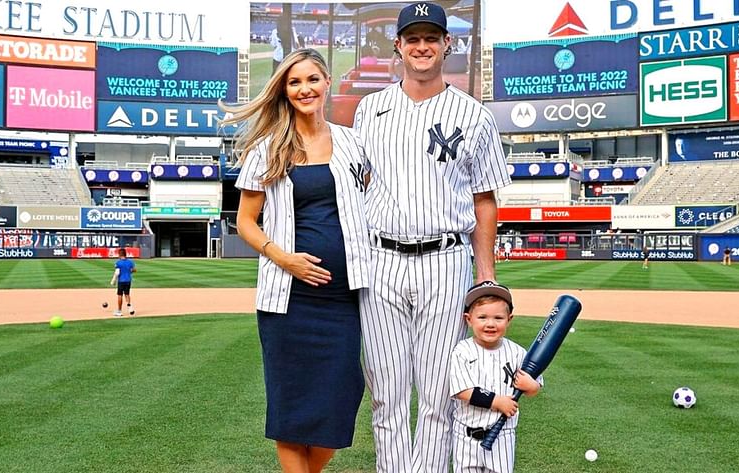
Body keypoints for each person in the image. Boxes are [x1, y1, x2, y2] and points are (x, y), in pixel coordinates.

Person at [352, 3, 512, 471]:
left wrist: (485, 278)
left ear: (447, 45)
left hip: (445, 260)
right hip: (380, 260)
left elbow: (485, 200)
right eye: (412, 38)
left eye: (431, 38)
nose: (422, 47)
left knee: (440, 393)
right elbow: (358, 185)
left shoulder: (474, 115)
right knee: (387, 394)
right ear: (398, 46)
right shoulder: (370, 110)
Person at [220, 48, 370, 473]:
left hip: (344, 299)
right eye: (294, 82)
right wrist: (284, 258)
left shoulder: (353, 142)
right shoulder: (267, 149)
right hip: (288, 303)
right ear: (284, 91)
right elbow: (246, 222)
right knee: (291, 411)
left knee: (342, 401)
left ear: (327, 83)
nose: (304, 88)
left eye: (311, 79)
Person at [449, 281, 542, 473]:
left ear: (509, 319)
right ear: (469, 319)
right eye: (482, 317)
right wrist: (497, 401)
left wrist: (531, 386)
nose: (490, 324)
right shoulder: (462, 351)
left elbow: (535, 387)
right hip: (465, 435)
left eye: (498, 318)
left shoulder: (517, 353)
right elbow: (463, 391)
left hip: (502, 435)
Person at [109, 248, 136, 316]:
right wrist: (129, 271)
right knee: (127, 294)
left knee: (120, 295)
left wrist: (113, 281)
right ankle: (129, 307)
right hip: (128, 280)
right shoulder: (130, 262)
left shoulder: (118, 262)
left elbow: (117, 272)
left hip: (121, 281)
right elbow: (134, 270)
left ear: (120, 254)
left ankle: (119, 311)